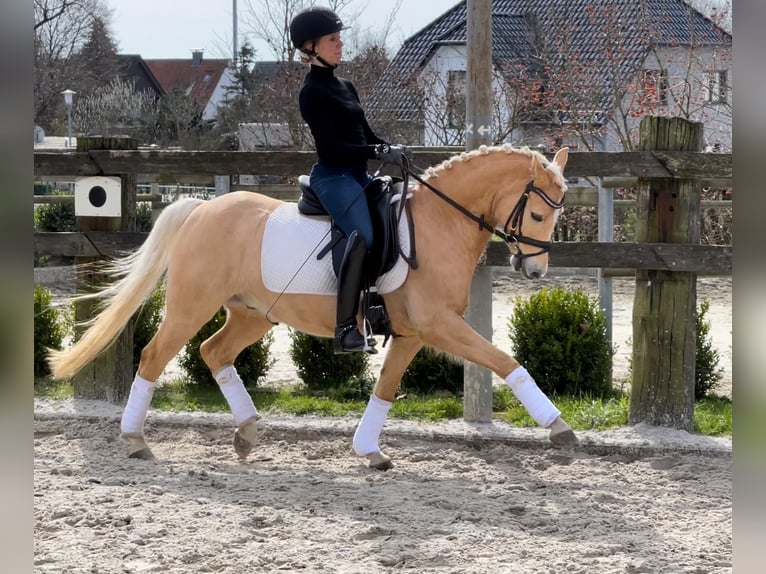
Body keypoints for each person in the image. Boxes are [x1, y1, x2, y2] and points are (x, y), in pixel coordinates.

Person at [289, 6, 411, 354]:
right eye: (333, 39)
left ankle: (379, 305)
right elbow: (333, 148)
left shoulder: (347, 86)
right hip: (334, 176)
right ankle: (345, 328)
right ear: (310, 47)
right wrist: (376, 150)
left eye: (340, 38)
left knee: (397, 216)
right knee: (365, 235)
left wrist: (387, 146)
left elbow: (364, 132)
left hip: (358, 173)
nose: (341, 44)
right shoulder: (311, 93)